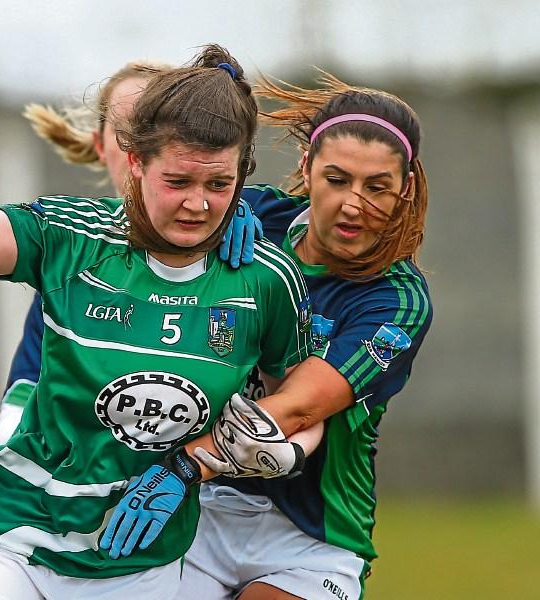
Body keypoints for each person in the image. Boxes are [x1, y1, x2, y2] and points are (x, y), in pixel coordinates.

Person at [0, 44, 318, 600]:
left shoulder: (266, 280)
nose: (198, 204)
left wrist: (273, 451)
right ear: (135, 164)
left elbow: (299, 408)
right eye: (179, 182)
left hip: (140, 562)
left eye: (218, 185)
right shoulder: (71, 238)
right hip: (8, 535)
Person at [178, 74, 433, 600]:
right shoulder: (250, 218)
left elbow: (293, 409)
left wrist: (177, 468)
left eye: (377, 187)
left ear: (404, 189)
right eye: (337, 179)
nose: (353, 205)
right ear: (306, 169)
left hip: (309, 535)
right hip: (199, 514)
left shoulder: (396, 301)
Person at [0, 59, 261, 446]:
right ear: (103, 146)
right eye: (128, 131)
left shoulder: (245, 237)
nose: (144, 141)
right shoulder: (73, 260)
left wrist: (253, 207)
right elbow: (23, 398)